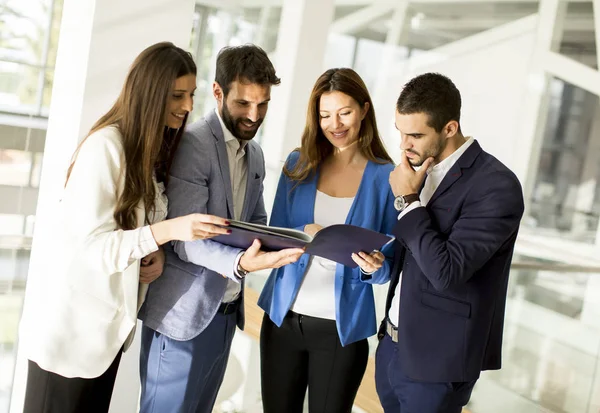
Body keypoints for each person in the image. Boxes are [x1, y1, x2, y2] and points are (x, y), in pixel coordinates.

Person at [19, 42, 230, 413]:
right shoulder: (106, 148)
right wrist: (169, 231)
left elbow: (130, 235)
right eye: (177, 95)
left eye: (191, 95)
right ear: (149, 93)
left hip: (106, 339)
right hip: (71, 340)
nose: (187, 107)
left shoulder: (147, 152)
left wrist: (156, 256)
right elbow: (90, 249)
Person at [138, 44, 304, 413]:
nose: (253, 115)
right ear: (217, 92)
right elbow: (185, 240)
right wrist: (245, 264)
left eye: (262, 104)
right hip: (183, 316)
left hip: (226, 312)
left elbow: (255, 224)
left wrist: (286, 244)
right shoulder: (194, 144)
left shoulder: (255, 154)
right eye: (244, 103)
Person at [376, 72, 525, 413]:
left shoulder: (496, 186)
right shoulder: (416, 171)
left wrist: (408, 201)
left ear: (449, 128)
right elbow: (411, 254)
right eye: (400, 132)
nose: (403, 146)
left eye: (415, 135)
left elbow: (446, 272)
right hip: (392, 347)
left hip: (438, 363)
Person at [257, 68, 398, 413]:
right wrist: (301, 240)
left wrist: (373, 267)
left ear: (365, 109)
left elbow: (391, 267)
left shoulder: (386, 176)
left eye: (345, 112)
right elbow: (275, 236)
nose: (335, 124)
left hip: (341, 330)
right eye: (324, 115)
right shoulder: (298, 164)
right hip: (282, 321)